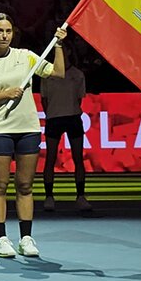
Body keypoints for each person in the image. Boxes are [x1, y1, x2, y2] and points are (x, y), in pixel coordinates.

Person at [0, 14, 66, 258]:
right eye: (0, 30)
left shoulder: (26, 57)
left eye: (8, 31)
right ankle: (1, 239)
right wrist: (5, 94)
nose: (4, 35)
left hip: (28, 128)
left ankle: (26, 238)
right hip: (0, 129)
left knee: (25, 185)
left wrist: (59, 45)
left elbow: (59, 73)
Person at [41, 54, 92, 212]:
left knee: (78, 158)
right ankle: (49, 196)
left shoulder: (77, 75)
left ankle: (81, 196)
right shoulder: (47, 74)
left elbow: (78, 99)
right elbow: (44, 99)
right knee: (50, 157)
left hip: (73, 118)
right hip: (54, 119)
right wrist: (51, 113)